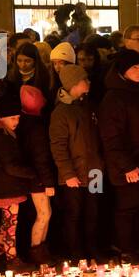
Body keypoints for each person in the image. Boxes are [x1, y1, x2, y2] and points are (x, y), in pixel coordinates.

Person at [99, 51, 139, 259]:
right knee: (128, 207)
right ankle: (126, 249)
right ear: (122, 70)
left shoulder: (138, 91)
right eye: (134, 67)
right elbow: (111, 138)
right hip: (128, 164)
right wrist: (126, 165)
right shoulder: (114, 97)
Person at [49, 59, 104, 261]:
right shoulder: (61, 113)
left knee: (94, 212)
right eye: (84, 79)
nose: (88, 81)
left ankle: (92, 248)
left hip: (95, 170)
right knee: (74, 213)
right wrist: (68, 174)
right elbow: (58, 146)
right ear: (74, 84)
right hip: (74, 174)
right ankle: (75, 252)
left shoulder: (88, 106)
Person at [0, 92, 35, 271]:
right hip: (9, 188)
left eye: (18, 118)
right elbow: (11, 166)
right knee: (11, 223)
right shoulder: (3, 137)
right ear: (2, 118)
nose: (16, 122)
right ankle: (12, 258)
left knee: (5, 223)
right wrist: (32, 173)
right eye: (12, 118)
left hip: (3, 186)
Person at [18, 85, 57, 264]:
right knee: (43, 214)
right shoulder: (37, 128)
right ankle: (37, 250)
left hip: (32, 176)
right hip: (38, 179)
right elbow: (41, 157)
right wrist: (48, 182)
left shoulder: (22, 123)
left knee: (45, 213)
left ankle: (42, 248)